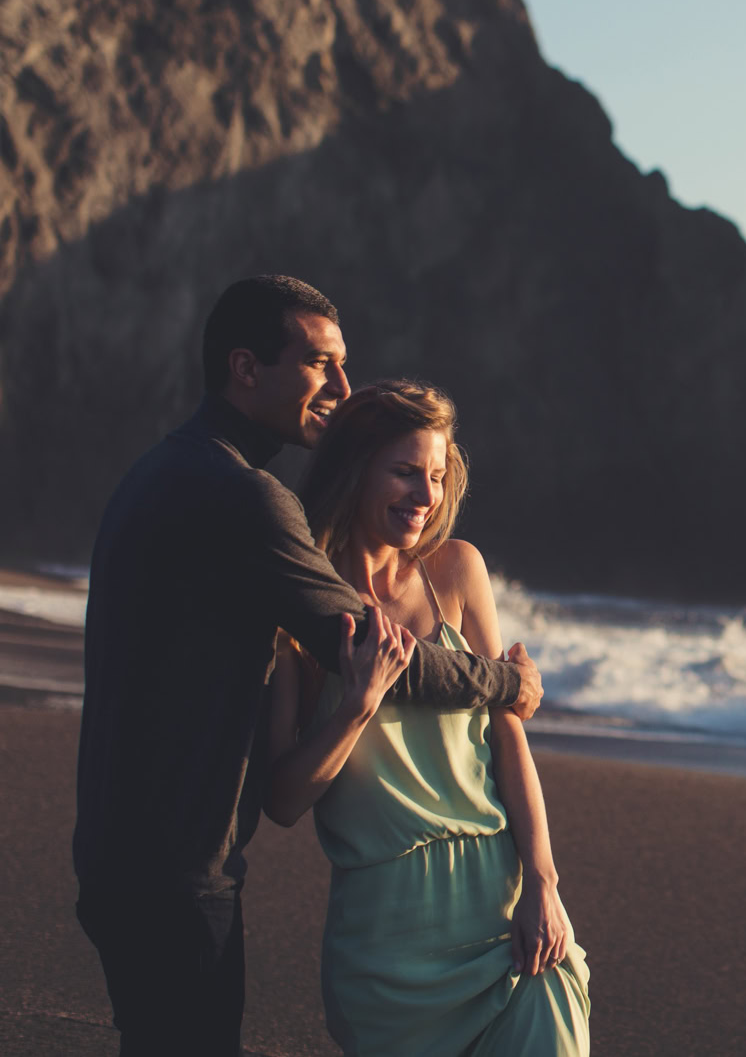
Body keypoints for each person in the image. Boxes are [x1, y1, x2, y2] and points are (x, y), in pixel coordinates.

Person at [73, 276, 544, 1057]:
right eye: (319, 362)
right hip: (176, 863)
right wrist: (507, 683)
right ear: (245, 368)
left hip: (122, 848)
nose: (340, 387)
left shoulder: (156, 473)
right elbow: (364, 643)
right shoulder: (242, 495)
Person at [264, 379, 590, 1055]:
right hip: (385, 938)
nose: (425, 495)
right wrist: (356, 703)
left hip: (504, 911)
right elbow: (284, 798)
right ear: (356, 469)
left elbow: (508, 737)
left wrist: (544, 881)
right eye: (405, 472)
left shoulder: (456, 570)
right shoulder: (300, 611)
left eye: (437, 475)